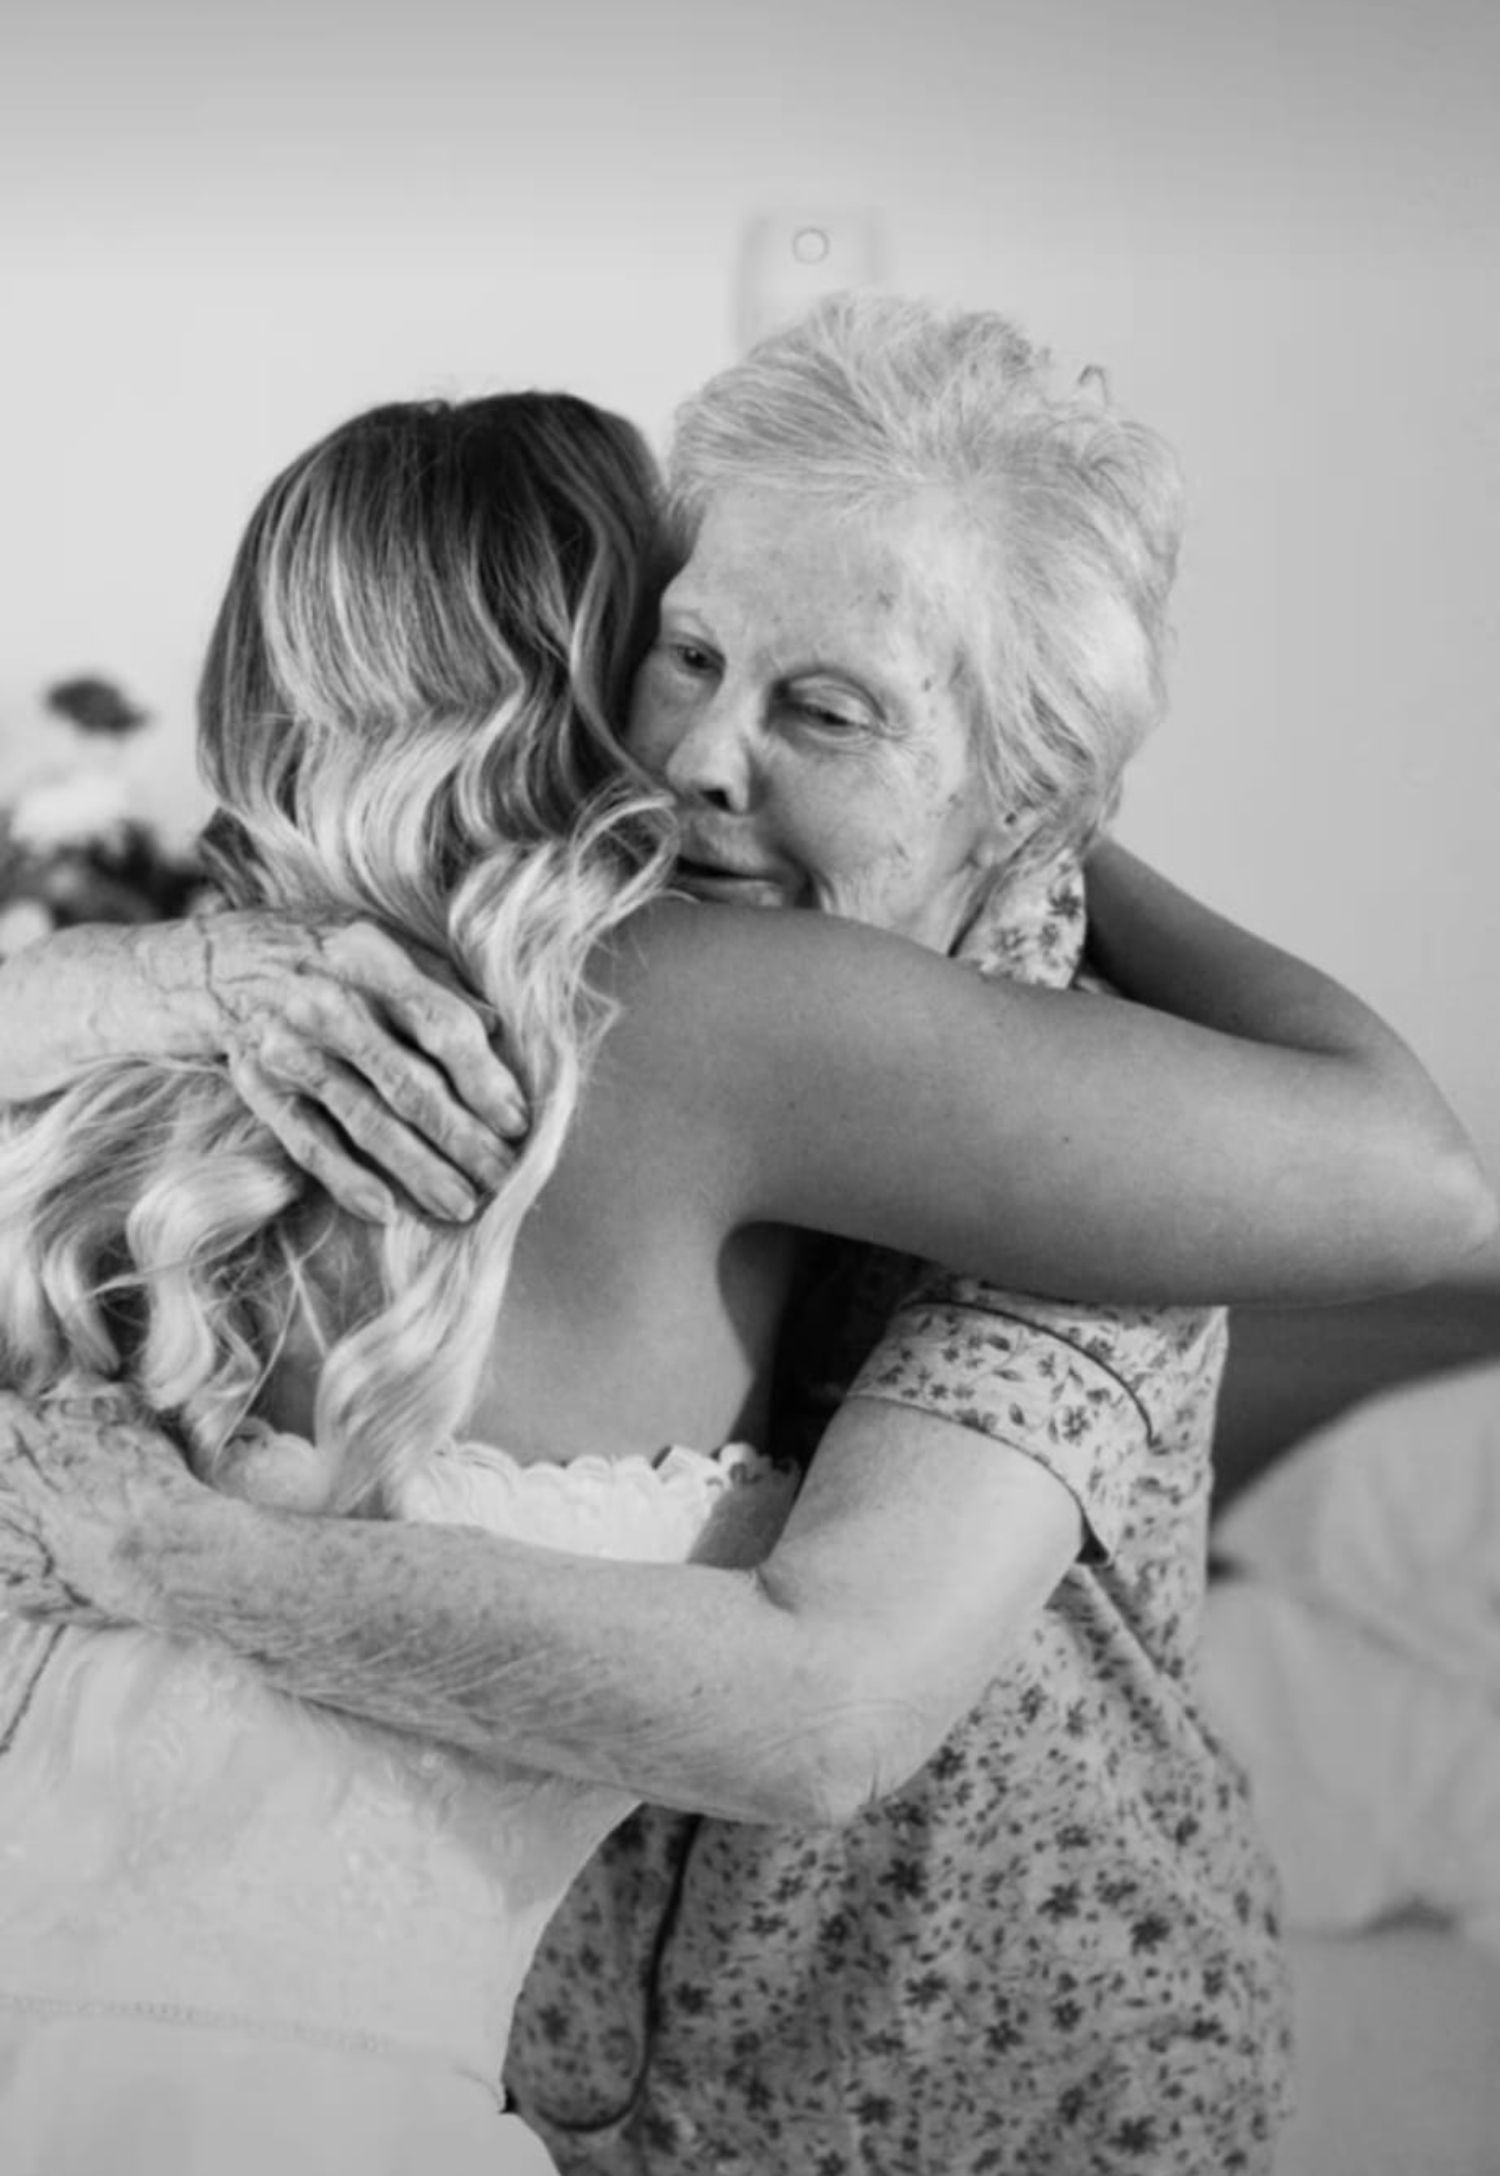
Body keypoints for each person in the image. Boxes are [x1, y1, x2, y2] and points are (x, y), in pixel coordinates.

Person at [0, 304, 1491, 2176]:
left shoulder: (1102, 1132)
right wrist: (135, 978)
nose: (698, 760)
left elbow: (821, 1706)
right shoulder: (359, 1022)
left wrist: (171, 1554)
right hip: (570, 2088)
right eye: (689, 655)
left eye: (828, 710)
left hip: (968, 2097)